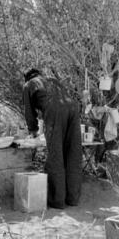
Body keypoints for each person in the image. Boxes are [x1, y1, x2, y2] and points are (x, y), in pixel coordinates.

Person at [22, 68, 82, 209]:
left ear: (27, 78)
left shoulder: (28, 85)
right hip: (73, 109)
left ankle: (57, 200)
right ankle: (73, 198)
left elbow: (29, 112)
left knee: (56, 155)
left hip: (55, 111)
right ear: (39, 75)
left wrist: (33, 130)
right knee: (72, 153)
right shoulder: (52, 80)